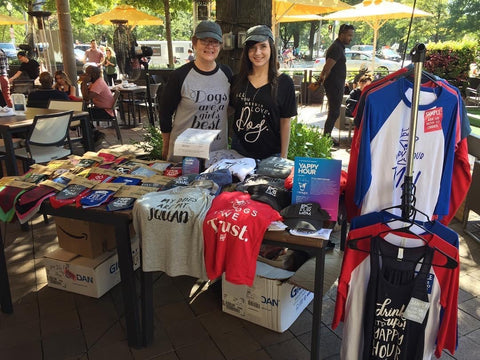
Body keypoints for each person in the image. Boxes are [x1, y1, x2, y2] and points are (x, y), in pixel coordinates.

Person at [159, 20, 232, 162]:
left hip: (216, 152)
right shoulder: (179, 76)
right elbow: (165, 113)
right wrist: (166, 145)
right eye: (205, 41)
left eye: (215, 42)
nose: (210, 46)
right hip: (185, 154)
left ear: (220, 45)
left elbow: (232, 106)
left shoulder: (227, 73)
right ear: (194, 42)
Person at [230, 25, 297, 160]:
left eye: (263, 46)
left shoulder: (284, 83)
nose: (257, 52)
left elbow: (285, 122)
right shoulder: (236, 80)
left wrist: (283, 157)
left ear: (271, 48)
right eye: (252, 47)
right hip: (239, 155)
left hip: (271, 156)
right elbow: (228, 112)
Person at [318, 24, 355, 145]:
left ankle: (327, 136)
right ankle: (326, 138)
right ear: (342, 34)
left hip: (336, 85)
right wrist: (320, 81)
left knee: (334, 112)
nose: (351, 38)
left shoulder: (339, 47)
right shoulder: (336, 48)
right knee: (334, 112)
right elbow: (327, 67)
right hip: (333, 86)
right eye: (349, 35)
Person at [79, 65, 112, 146]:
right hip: (101, 108)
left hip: (106, 111)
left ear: (93, 74)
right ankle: (91, 135)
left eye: (87, 73)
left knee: (82, 116)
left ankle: (93, 135)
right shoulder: (96, 82)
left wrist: (84, 83)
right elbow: (86, 95)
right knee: (82, 113)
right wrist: (83, 83)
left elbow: (86, 98)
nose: (85, 75)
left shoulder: (98, 83)